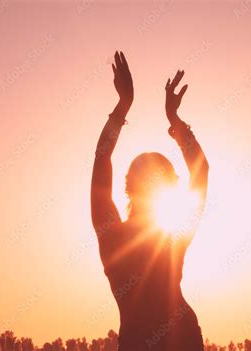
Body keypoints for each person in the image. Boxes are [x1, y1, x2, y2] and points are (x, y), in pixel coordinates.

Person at [90, 51, 209, 351]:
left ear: (129, 188)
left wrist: (122, 106)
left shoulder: (112, 235)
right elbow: (201, 171)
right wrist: (175, 122)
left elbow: (102, 159)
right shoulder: (174, 238)